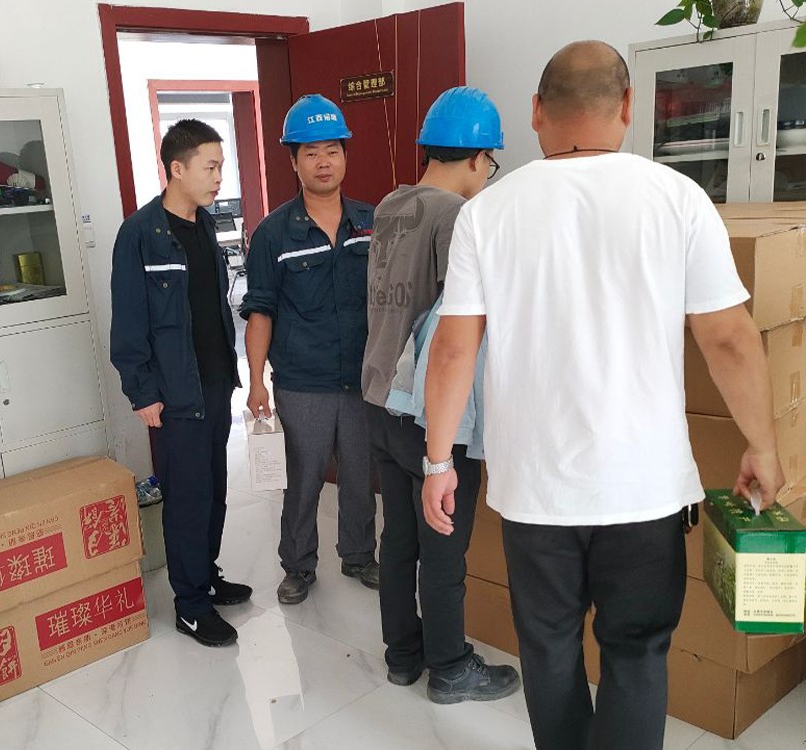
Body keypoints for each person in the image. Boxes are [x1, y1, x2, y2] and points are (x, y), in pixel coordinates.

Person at [421, 41, 784, 750]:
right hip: (643, 492)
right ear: (628, 108)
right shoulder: (677, 198)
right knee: (637, 653)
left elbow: (453, 348)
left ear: (535, 112)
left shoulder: (487, 214)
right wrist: (763, 447)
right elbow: (730, 340)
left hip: (535, 494)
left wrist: (439, 462)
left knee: (549, 650)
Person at [361, 86, 521, 703]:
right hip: (430, 411)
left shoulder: (391, 203)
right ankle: (451, 667)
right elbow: (458, 328)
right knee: (444, 549)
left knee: (399, 541)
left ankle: (403, 656)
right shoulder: (457, 215)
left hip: (380, 400)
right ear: (479, 158)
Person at [110, 119, 252, 648]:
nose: (219, 177)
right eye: (210, 167)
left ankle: (205, 576)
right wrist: (142, 391)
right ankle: (190, 606)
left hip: (214, 382)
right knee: (188, 498)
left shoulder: (206, 226)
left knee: (214, 489)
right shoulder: (140, 234)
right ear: (177, 168)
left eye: (221, 166)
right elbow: (128, 321)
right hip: (173, 394)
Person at [241, 94, 379, 605]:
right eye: (311, 153)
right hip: (303, 382)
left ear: (345, 156)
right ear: (294, 162)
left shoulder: (372, 222)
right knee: (302, 480)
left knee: (361, 475)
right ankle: (298, 565)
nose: (324, 162)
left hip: (363, 377)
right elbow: (260, 312)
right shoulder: (273, 233)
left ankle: (359, 554)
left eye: (332, 151)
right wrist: (257, 381)